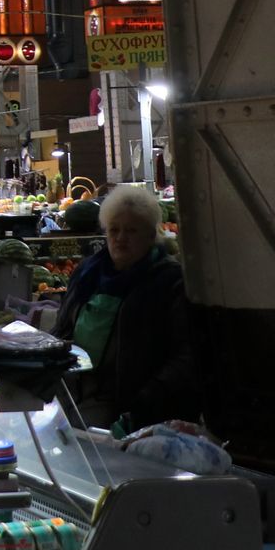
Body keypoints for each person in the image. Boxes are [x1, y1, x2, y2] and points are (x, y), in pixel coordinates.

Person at [51, 183, 198, 430]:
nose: (120, 238)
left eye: (131, 231)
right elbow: (63, 328)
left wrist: (145, 402)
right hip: (73, 392)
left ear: (151, 235)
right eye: (114, 230)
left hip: (129, 406)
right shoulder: (88, 273)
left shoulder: (170, 281)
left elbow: (186, 355)